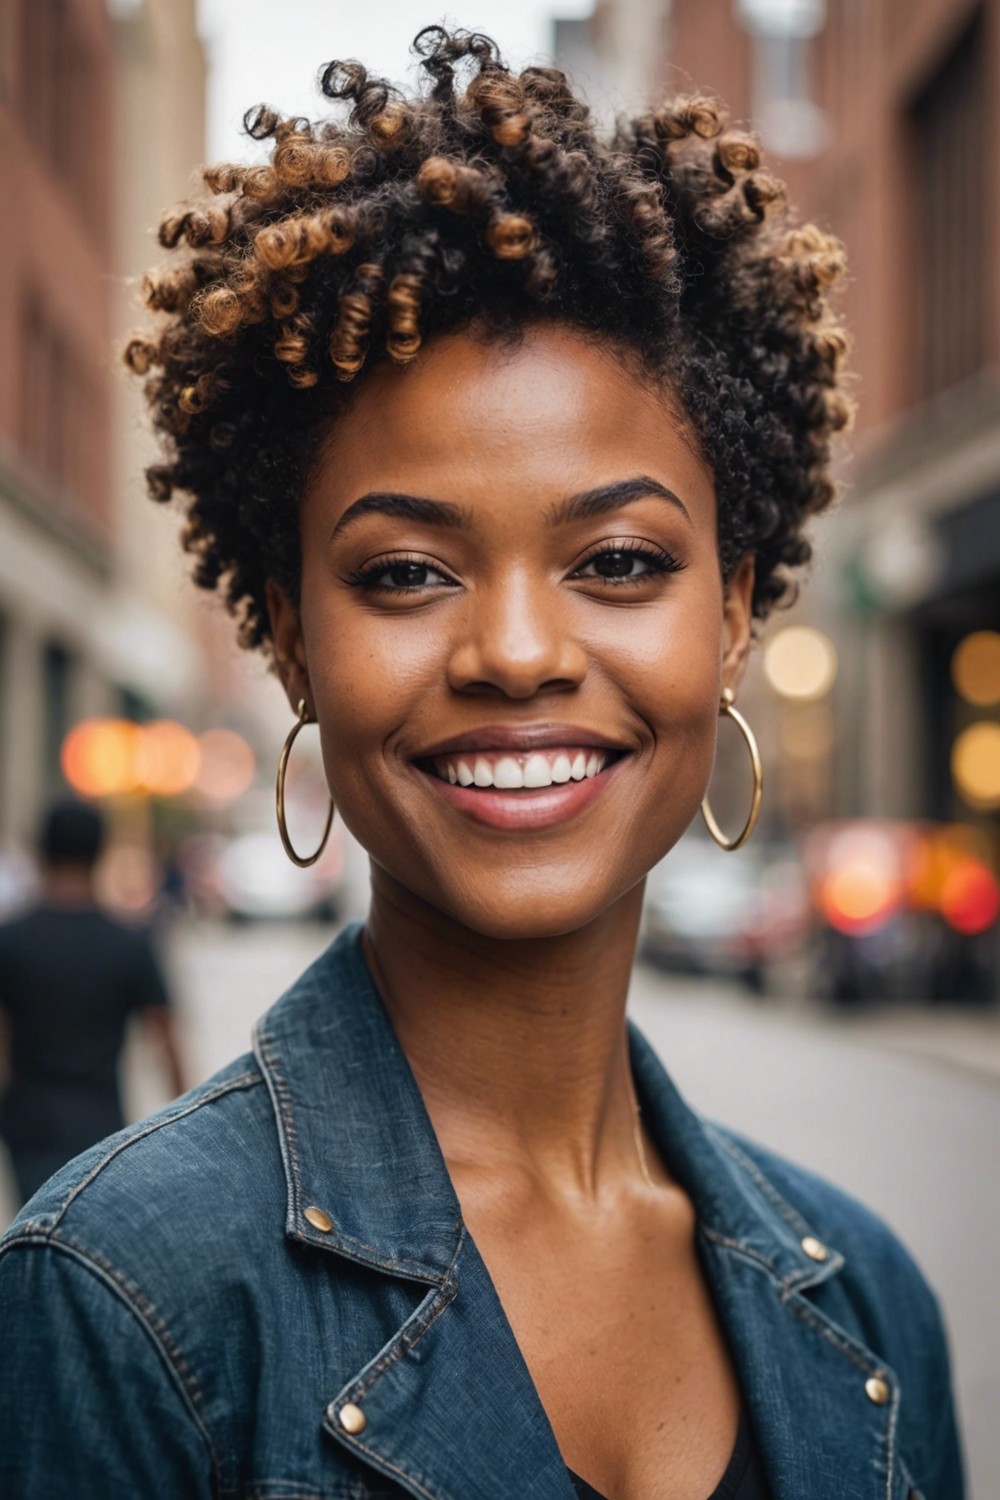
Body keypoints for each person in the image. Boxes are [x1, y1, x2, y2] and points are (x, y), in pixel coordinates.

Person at [0, 28, 963, 1499]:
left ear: (735, 611)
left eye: (621, 560)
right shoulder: (124, 1297)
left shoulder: (875, 1307)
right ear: (287, 636)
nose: (515, 651)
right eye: (404, 573)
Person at [0, 797, 184, 1205]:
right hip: (99, 1119)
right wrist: (181, 1131)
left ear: (41, 851)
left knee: (30, 1223)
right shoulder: (130, 943)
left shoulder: (10, 940)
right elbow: (166, 1042)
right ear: (100, 853)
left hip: (26, 1119)